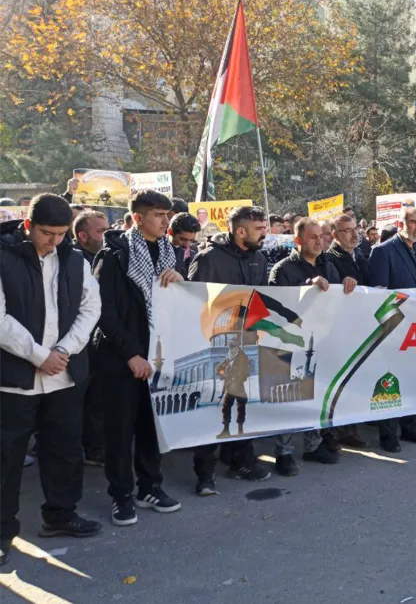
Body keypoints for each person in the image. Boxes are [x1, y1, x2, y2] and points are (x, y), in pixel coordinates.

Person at [1, 194, 103, 565]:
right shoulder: (4, 256)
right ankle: (2, 531)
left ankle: (60, 514)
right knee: (7, 456)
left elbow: (91, 308)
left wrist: (63, 350)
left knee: (63, 448)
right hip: (14, 377)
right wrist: (39, 356)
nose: (54, 241)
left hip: (64, 374)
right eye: (47, 233)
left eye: (61, 234)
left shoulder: (74, 259)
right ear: (29, 226)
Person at [93, 190, 184, 526]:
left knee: (152, 426)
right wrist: (131, 354)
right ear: (138, 218)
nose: (165, 221)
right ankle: (121, 495)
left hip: (159, 356)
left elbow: (181, 303)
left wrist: (181, 281)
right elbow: (104, 312)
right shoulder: (113, 255)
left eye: (167, 215)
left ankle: (150, 487)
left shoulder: (171, 253)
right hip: (120, 359)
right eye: (159, 215)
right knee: (119, 431)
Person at [187, 206, 273, 491]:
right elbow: (191, 300)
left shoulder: (259, 258)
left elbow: (262, 297)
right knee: (212, 406)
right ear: (240, 231)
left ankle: (241, 460)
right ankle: (204, 472)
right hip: (214, 342)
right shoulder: (209, 258)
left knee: (243, 403)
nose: (264, 234)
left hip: (247, 342)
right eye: (259, 229)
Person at [269, 218, 356, 467]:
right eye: (312, 237)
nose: (319, 242)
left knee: (316, 394)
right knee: (289, 397)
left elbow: (338, 299)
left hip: (321, 340)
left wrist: (348, 284)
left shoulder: (328, 265)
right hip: (291, 343)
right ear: (298, 240)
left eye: (321, 236)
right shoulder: (283, 269)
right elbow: (277, 308)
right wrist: (307, 287)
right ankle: (283, 453)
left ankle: (313, 445)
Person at [367, 207, 416, 452]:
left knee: (412, 378)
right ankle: (388, 433)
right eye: (413, 222)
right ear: (400, 224)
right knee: (389, 379)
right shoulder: (382, 251)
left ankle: (410, 425)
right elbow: (379, 295)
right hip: (394, 327)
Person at [324, 213, 371, 448]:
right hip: (340, 328)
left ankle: (351, 424)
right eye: (347, 231)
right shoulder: (329, 259)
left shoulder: (360, 256)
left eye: (355, 229)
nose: (354, 234)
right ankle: (339, 431)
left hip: (361, 324)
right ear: (335, 235)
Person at [71, 210, 111, 466]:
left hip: (100, 342)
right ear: (83, 236)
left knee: (98, 398)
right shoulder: (72, 263)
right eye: (101, 231)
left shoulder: (109, 258)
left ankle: (95, 446)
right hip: (75, 344)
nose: (107, 235)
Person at [168, 213, 201, 278]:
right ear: (170, 232)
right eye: (183, 239)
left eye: (191, 240)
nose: (187, 245)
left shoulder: (195, 255)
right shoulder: (159, 252)